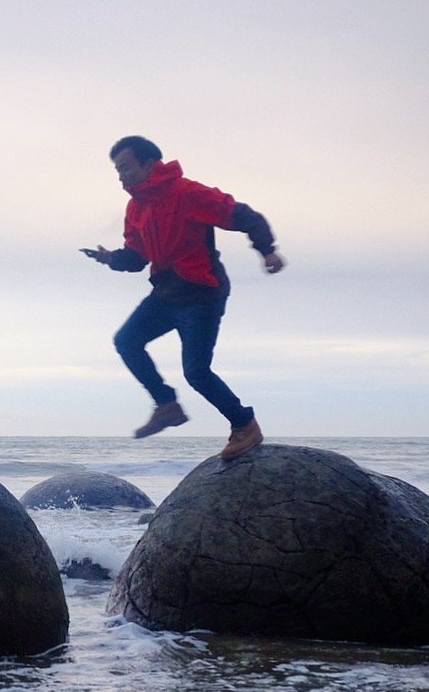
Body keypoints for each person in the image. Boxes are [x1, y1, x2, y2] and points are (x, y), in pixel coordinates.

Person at [82, 135, 285, 460]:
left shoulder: (186, 193)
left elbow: (245, 216)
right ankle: (167, 405)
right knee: (127, 341)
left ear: (149, 164)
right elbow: (137, 258)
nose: (121, 176)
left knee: (196, 372)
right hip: (166, 293)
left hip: (201, 292)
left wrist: (268, 251)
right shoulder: (135, 207)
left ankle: (245, 425)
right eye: (117, 171)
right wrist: (111, 259)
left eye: (125, 168)